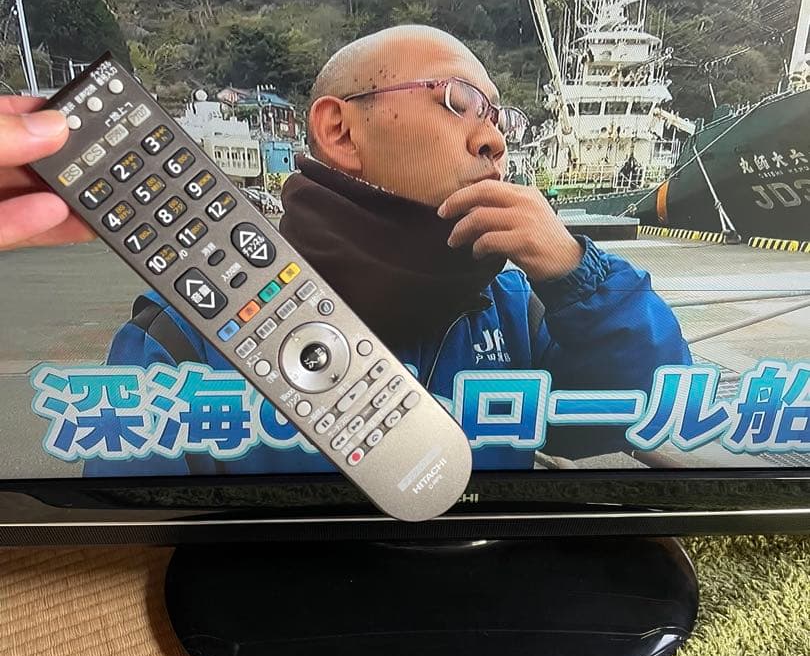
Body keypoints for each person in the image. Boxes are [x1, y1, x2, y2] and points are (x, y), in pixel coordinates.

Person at [0, 26, 691, 476]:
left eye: (498, 116)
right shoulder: (183, 338)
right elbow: (134, 545)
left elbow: (644, 410)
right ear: (339, 130)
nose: (494, 139)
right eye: (458, 100)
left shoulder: (516, 308)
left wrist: (577, 273)